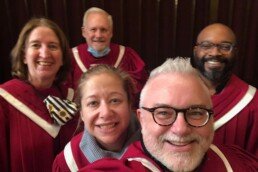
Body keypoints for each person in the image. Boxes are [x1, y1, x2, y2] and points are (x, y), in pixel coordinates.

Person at [63, 57, 257, 171]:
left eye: (196, 112)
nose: (180, 129)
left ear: (212, 117)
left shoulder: (237, 163)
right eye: (163, 112)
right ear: (140, 118)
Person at [0, 18, 78, 172]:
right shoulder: (4, 101)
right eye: (36, 45)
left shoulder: (71, 97)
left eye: (53, 46)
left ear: (62, 58)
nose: (45, 53)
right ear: (24, 56)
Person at [52, 64, 140, 171]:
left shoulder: (156, 147)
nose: (105, 113)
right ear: (82, 113)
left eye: (115, 100)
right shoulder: (67, 163)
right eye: (93, 103)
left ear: (129, 104)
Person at [191, 23, 258, 156]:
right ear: (195, 51)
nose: (215, 53)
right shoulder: (174, 92)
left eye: (225, 47)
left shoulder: (253, 102)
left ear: (236, 53)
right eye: (206, 45)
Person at [70, 7, 147, 96]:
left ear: (111, 32)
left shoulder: (126, 56)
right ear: (84, 32)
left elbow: (139, 93)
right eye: (93, 29)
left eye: (103, 30)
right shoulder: (71, 57)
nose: (98, 35)